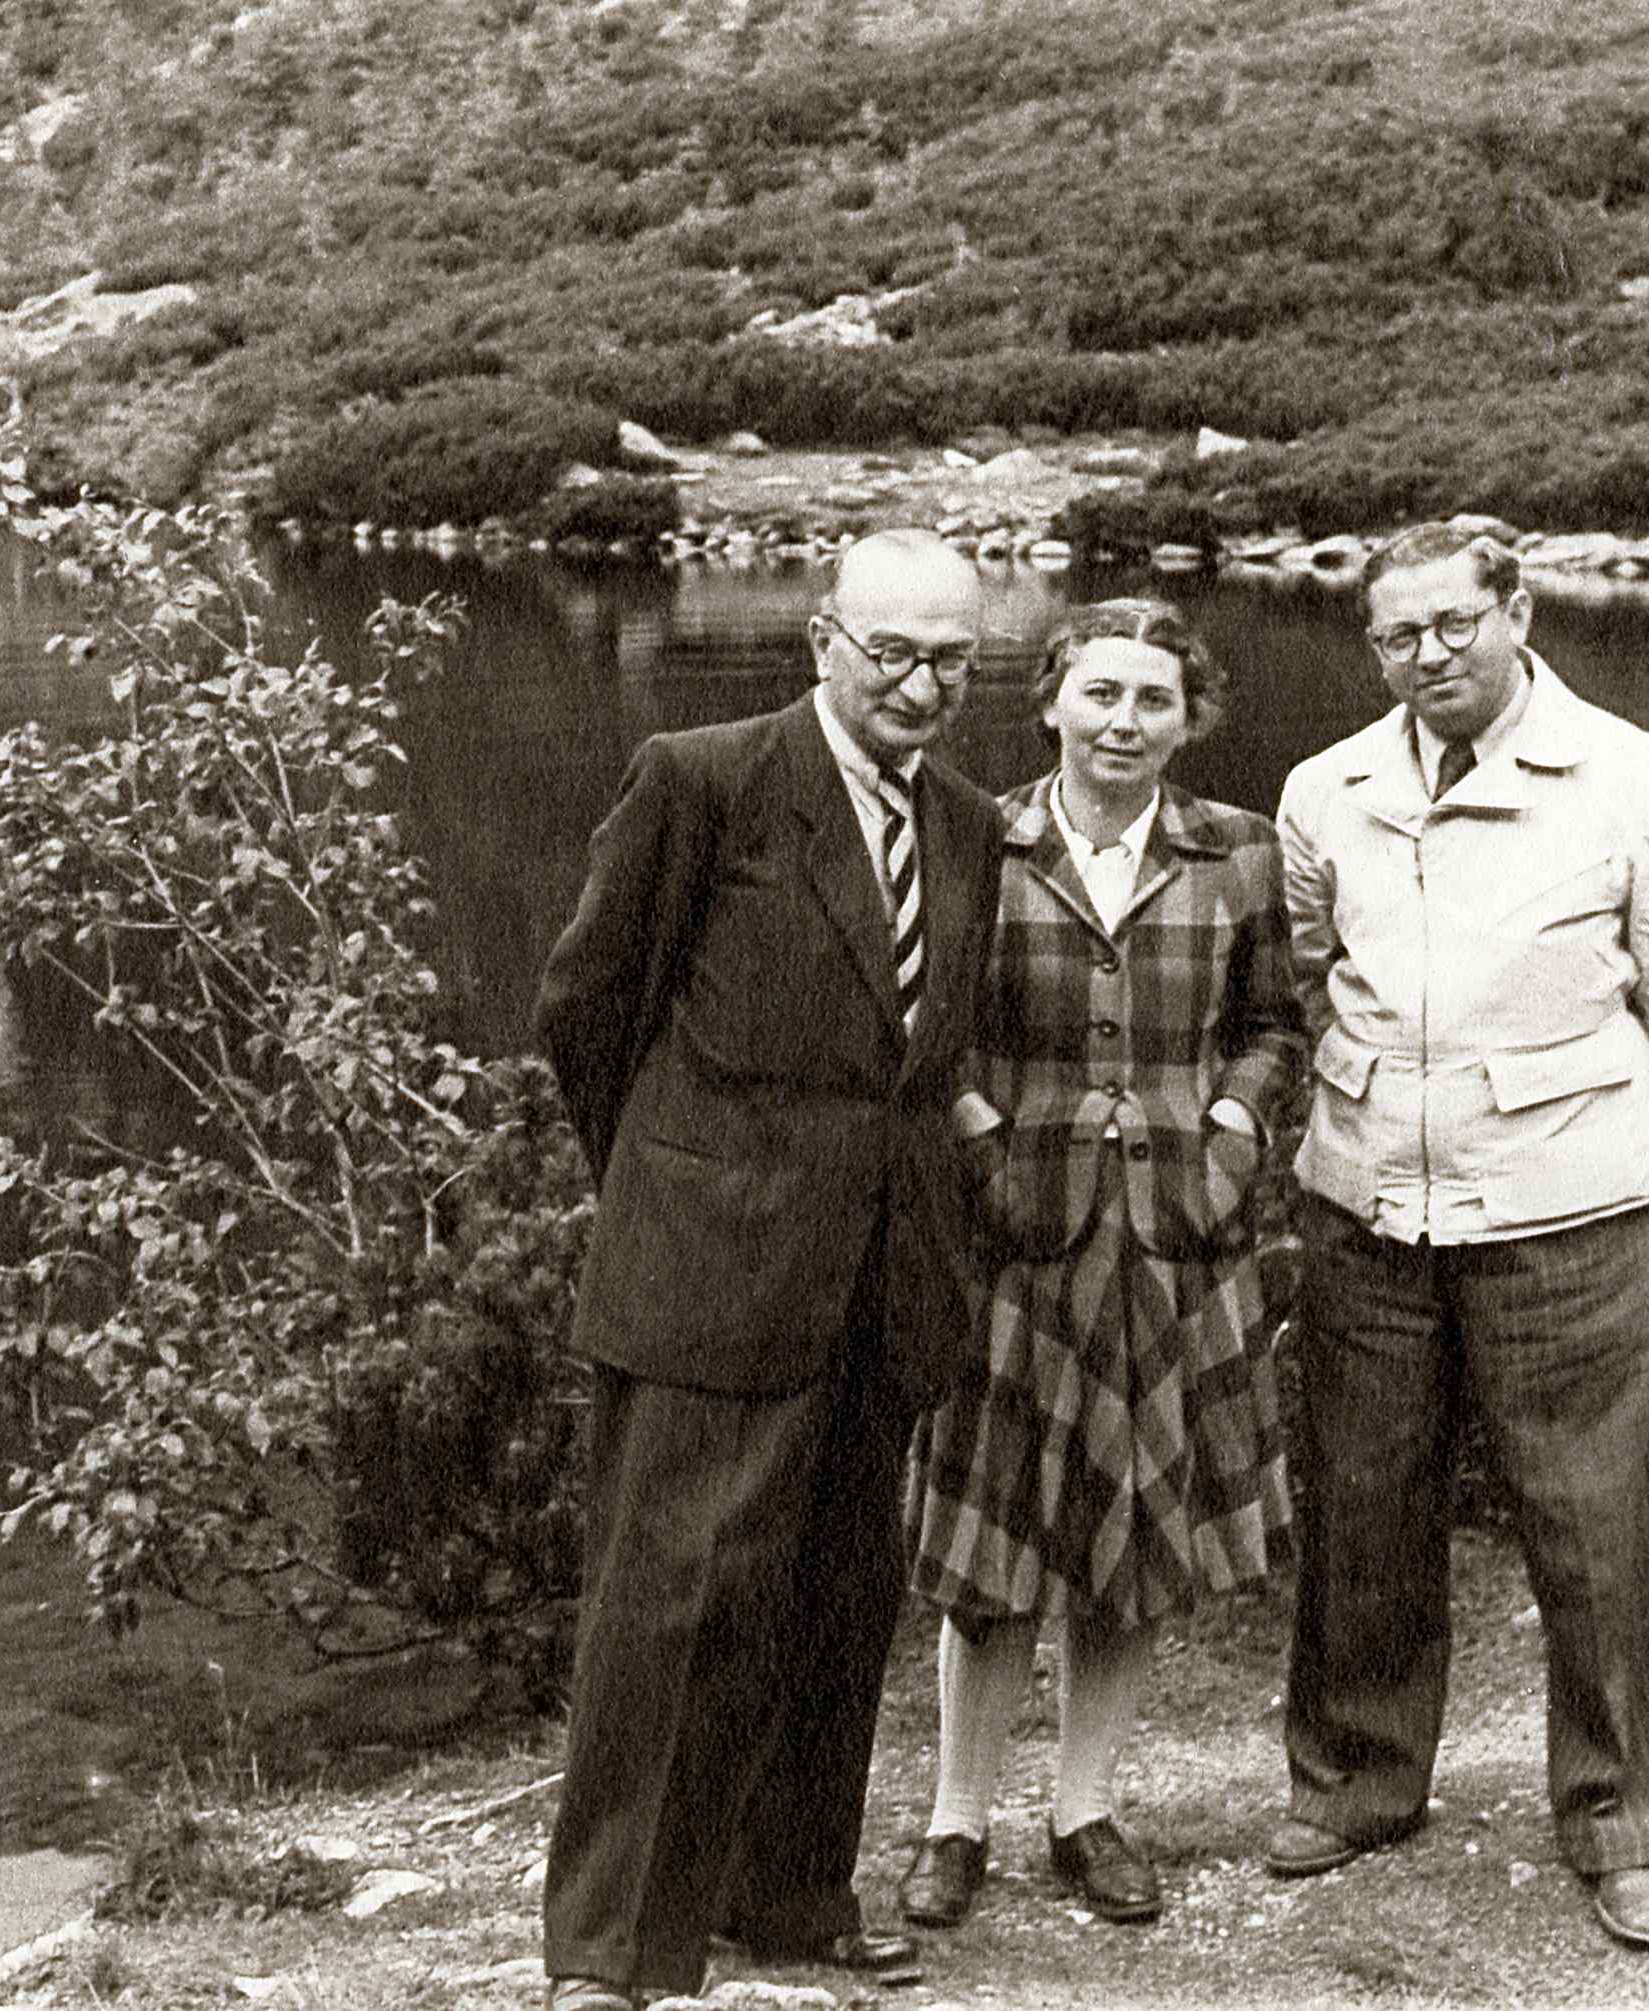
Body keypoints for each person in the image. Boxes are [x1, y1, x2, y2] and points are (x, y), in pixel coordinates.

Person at [532, 528, 1006, 2011]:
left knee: (836, 1597)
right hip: (709, 1273)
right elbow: (590, 1008)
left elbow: (921, 1055)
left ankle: (790, 1894)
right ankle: (612, 1952)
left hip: (882, 1277)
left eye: (951, 660)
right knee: (671, 1612)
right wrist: (680, 1193)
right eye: (892, 653)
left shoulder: (968, 823)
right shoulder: (705, 778)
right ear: (823, 642)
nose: (920, 686)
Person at [1266, 522, 1649, 1949]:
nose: (1427, 657)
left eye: (1453, 625)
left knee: (1595, 1523)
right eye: (1396, 636)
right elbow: (1316, 971)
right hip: (1367, 1200)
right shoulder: (1327, 788)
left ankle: (1623, 1822)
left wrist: (1566, 1110)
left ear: (1518, 612)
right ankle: (1358, 1779)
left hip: (1563, 1211)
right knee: (1363, 1500)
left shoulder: (1638, 781)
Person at [900, 598, 1305, 1931]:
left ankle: (1085, 1810)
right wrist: (982, 1142)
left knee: (1136, 1525)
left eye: (1154, 701)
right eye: (1102, 694)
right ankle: (956, 1822)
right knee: (993, 1543)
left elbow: (1274, 1025)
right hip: (1015, 1237)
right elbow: (930, 1027)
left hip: (1180, 1235)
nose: (1125, 723)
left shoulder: (1238, 851)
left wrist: (1232, 1131)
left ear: (1190, 721)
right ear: (1053, 705)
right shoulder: (975, 839)